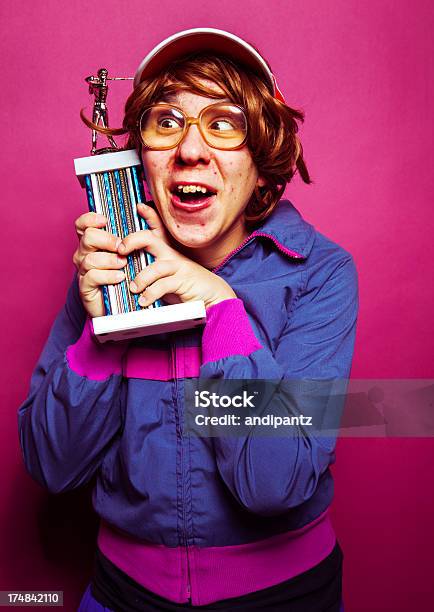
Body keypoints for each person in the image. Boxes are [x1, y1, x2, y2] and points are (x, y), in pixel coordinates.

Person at [18, 28, 358, 611]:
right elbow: (51, 466)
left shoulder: (321, 274)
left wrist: (222, 310)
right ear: (140, 155)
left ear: (263, 160)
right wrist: (105, 333)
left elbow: (274, 483)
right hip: (122, 595)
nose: (191, 150)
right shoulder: (104, 270)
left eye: (225, 124)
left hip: (282, 597)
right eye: (166, 122)